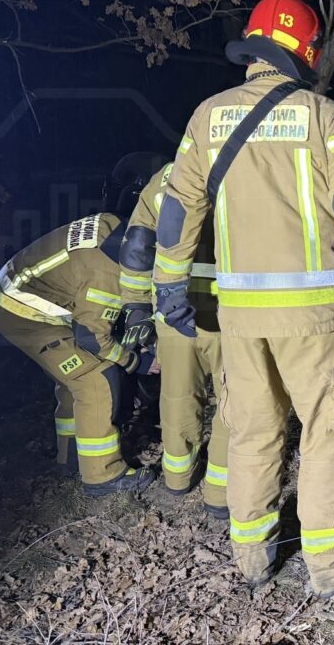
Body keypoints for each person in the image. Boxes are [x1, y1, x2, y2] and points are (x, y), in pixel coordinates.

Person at [152, 0, 334, 596]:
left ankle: (253, 559)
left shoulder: (206, 118)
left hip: (240, 315)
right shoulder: (324, 117)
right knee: (325, 428)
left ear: (255, 49)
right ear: (304, 51)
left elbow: (177, 208)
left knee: (252, 429)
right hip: (316, 315)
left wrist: (168, 286)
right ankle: (333, 564)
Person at [0, 212, 158, 495]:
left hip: (9, 292)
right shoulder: (106, 277)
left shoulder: (111, 225)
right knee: (94, 378)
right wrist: (137, 361)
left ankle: (71, 460)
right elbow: (94, 341)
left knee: (70, 380)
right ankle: (102, 476)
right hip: (22, 313)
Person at [118, 162, 230, 518]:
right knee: (236, 398)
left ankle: (178, 479)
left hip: (174, 308)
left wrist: (136, 306)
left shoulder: (168, 175)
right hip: (233, 309)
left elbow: (138, 242)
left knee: (178, 396)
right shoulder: (249, 165)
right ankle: (220, 493)